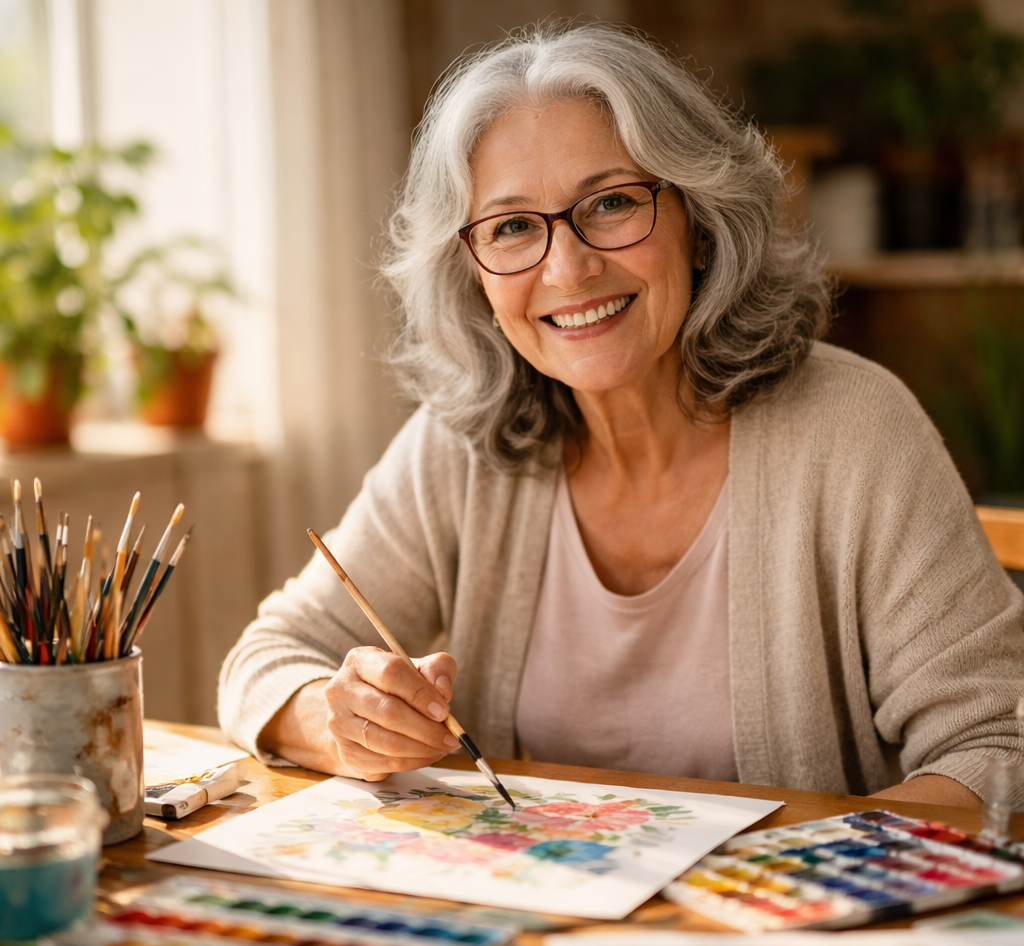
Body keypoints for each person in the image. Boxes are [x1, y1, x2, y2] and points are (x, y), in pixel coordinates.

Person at [219, 23, 1024, 808]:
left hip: (807, 929)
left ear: (699, 222)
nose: (568, 268)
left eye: (609, 204)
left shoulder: (856, 430)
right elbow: (266, 657)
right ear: (473, 276)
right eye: (511, 227)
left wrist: (800, 878)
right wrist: (336, 720)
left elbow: (997, 744)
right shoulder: (460, 443)